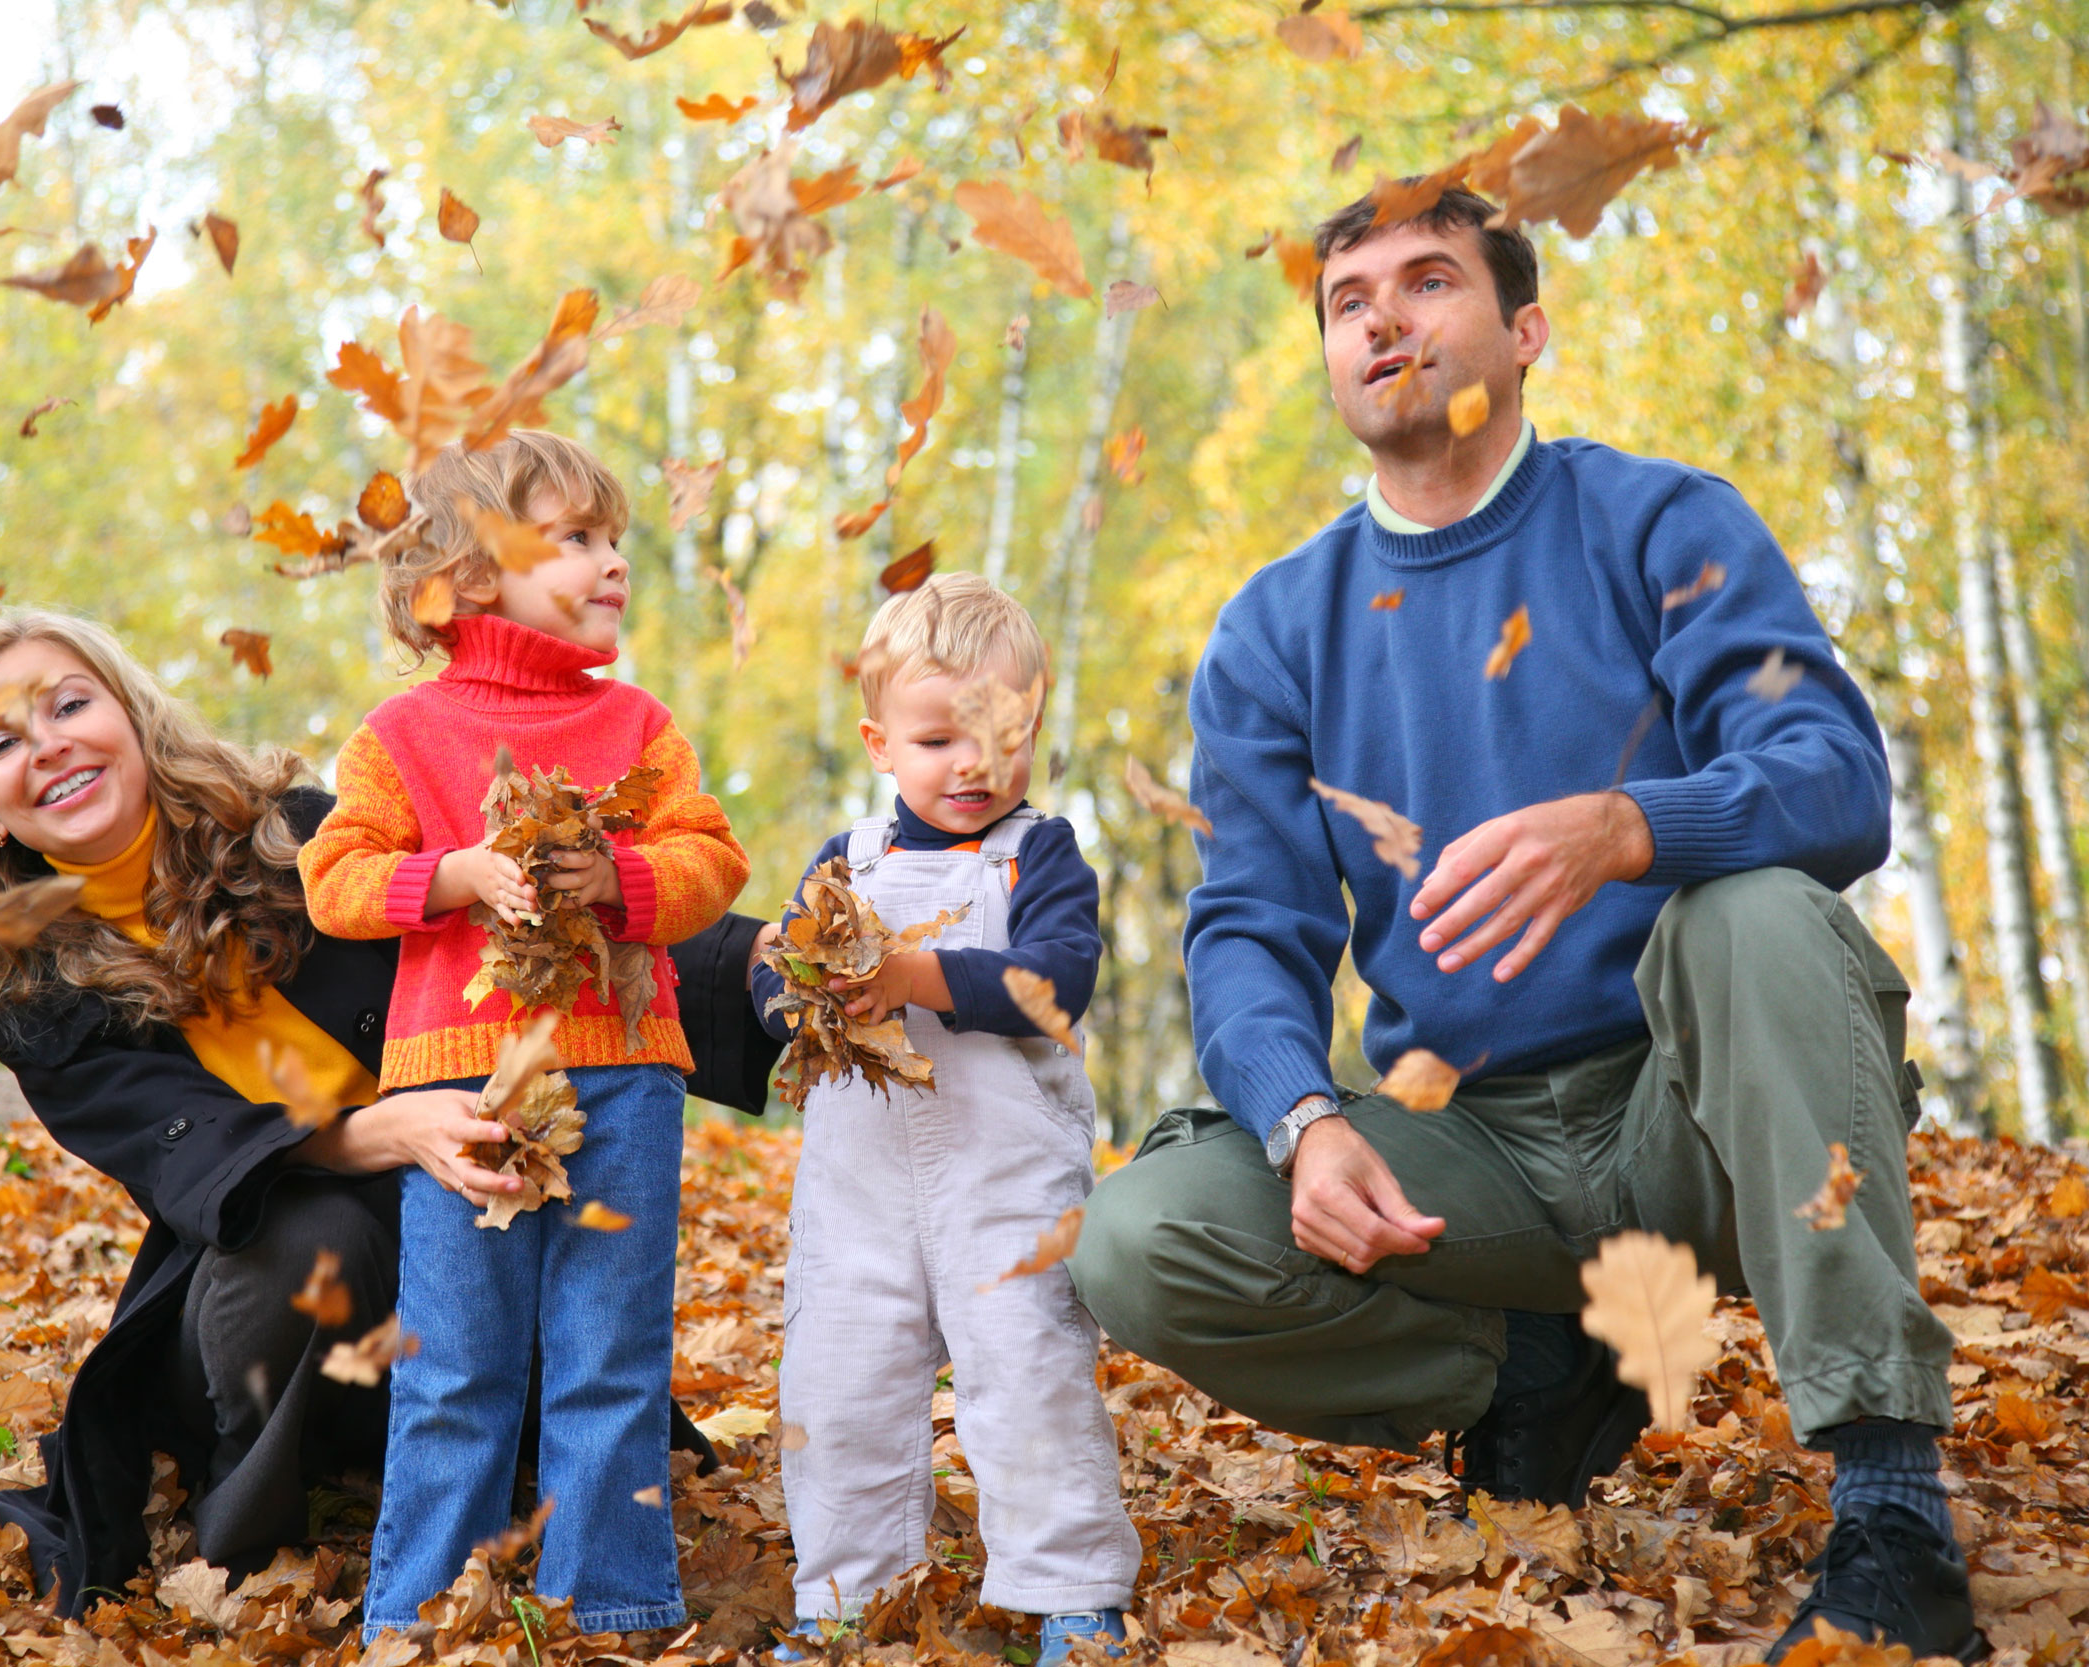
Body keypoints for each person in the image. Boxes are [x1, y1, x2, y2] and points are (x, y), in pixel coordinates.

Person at [1067, 186, 1984, 1664]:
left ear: (1526, 329)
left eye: (1428, 280)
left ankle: (1891, 1500)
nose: (1382, 316)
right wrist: (1303, 1121)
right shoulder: (1275, 630)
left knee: (1756, 909)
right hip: (1470, 1149)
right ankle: (1531, 1369)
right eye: (1347, 300)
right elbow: (1247, 928)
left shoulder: (1662, 523)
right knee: (1137, 1234)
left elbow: (1836, 776)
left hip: (1697, 1108)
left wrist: (1630, 825)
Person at [0, 606, 779, 1617]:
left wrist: (756, 956)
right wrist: (398, 1127)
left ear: (129, 715)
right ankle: (263, 1517)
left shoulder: (296, 833)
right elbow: (201, 1157)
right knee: (307, 1234)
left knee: (527, 1240)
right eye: (2, 743)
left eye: (69, 705)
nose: (50, 744)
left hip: (473, 1210)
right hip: (266, 1298)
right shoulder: (38, 998)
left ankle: (529, 1470)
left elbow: (515, 910)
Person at [300, 433, 749, 1640]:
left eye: (615, 539)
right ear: (471, 575)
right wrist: (448, 875)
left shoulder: (638, 725)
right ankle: (421, 1611)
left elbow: (713, 858)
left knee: (609, 1352)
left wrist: (621, 878)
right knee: (456, 1361)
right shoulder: (400, 735)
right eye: (575, 539)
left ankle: (609, 1601)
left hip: (625, 1075)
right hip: (467, 1095)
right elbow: (332, 878)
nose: (613, 562)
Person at [750, 574, 1140, 1667]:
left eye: (1000, 735)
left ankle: (1072, 1590)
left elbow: (1057, 978)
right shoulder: (849, 860)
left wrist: (915, 974)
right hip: (857, 1192)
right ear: (880, 742)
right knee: (840, 1389)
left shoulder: (1038, 852)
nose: (972, 764)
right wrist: (799, 998)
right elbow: (776, 976)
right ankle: (845, 1596)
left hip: (1005, 1180)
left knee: (1028, 1375)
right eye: (937, 740)